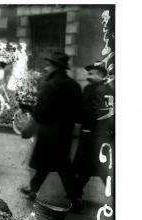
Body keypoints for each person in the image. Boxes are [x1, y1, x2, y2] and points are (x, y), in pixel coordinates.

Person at [19, 51, 83, 209]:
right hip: (65, 131)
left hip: (49, 131)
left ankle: (76, 197)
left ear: (55, 67)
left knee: (60, 165)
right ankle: (33, 188)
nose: (46, 68)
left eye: (49, 65)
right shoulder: (74, 85)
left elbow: (42, 110)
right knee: (50, 163)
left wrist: (32, 120)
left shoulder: (50, 85)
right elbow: (78, 112)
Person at [72, 63, 114, 207]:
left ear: (101, 75)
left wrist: (88, 128)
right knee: (88, 169)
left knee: (94, 169)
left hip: (93, 136)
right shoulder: (106, 89)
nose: (88, 76)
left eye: (92, 74)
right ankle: (75, 193)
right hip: (97, 136)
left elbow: (100, 114)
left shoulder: (99, 90)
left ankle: (76, 195)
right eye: (88, 73)